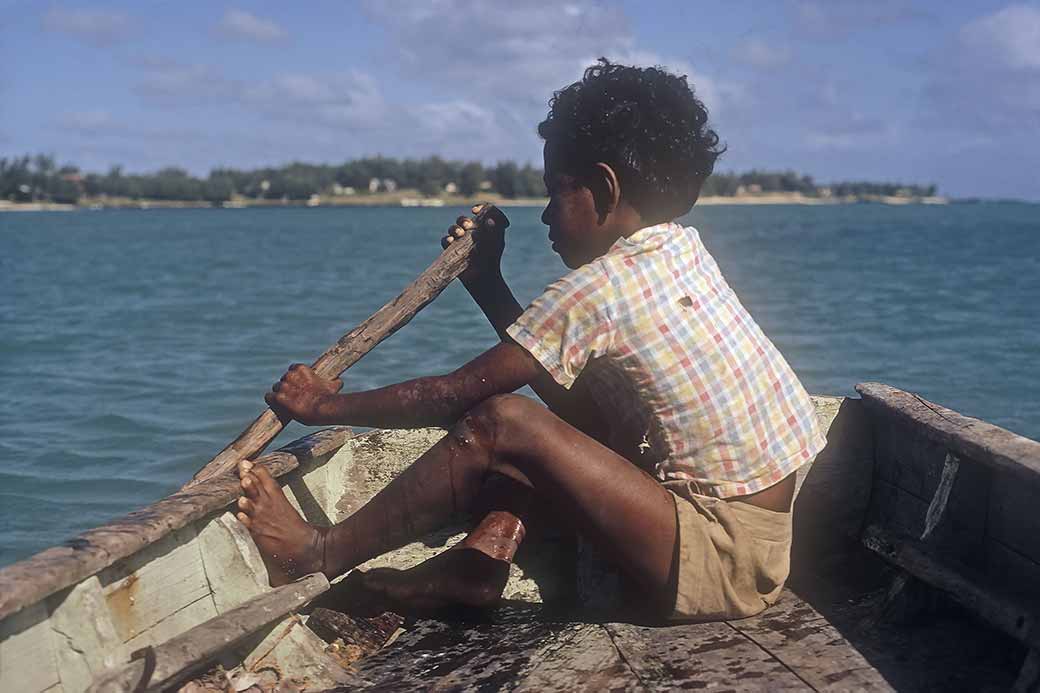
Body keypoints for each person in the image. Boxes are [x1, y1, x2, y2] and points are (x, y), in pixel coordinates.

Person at [235, 59, 826, 621]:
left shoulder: (601, 289)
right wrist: (488, 281)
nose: (545, 215)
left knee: (505, 423)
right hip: (759, 541)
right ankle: (479, 564)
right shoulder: (679, 252)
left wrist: (321, 406)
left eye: (555, 192)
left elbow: (453, 396)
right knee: (561, 425)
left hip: (720, 558)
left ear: (605, 188)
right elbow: (568, 398)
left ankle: (317, 553)